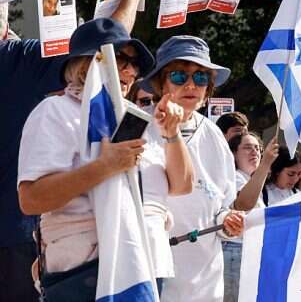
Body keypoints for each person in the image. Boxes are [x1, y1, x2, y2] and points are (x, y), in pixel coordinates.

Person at [0, 0, 154, 301]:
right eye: (124, 62)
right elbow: (106, 48)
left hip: (73, 258)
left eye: (135, 66)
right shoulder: (48, 103)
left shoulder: (104, 111)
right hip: (27, 244)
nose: (128, 71)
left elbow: (108, 48)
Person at [18, 17, 191, 300]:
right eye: (121, 57)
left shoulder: (136, 118)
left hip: (146, 266)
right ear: (89, 62)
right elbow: (31, 199)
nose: (130, 70)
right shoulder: (55, 111)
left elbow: (182, 186)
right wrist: (104, 167)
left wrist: (172, 134)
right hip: (88, 273)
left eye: (135, 64)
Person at [141, 36, 244, 302]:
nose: (191, 85)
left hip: (205, 283)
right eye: (179, 76)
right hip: (150, 275)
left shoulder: (214, 135)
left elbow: (222, 205)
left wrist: (228, 222)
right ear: (160, 83)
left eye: (200, 78)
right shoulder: (138, 128)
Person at [222, 131, 278, 302]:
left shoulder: (251, 180)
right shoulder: (235, 178)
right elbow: (245, 204)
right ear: (233, 154)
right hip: (235, 251)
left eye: (257, 148)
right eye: (247, 148)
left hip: (248, 252)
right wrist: (266, 163)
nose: (254, 152)